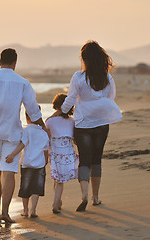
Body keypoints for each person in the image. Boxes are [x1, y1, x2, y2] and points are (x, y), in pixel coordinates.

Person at [0, 48, 46, 223]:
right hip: (13, 133)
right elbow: (32, 110)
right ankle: (5, 211)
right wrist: (43, 128)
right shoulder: (23, 83)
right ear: (15, 63)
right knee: (9, 173)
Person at [51, 41, 122, 212]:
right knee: (97, 159)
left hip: (83, 123)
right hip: (102, 122)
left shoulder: (78, 77)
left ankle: (84, 195)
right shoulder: (107, 78)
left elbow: (70, 99)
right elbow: (111, 97)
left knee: (84, 160)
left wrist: (61, 113)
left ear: (84, 59)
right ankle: (95, 197)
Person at [5, 107, 49, 218]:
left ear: (26, 117)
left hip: (26, 163)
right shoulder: (43, 133)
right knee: (36, 188)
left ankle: (25, 210)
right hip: (39, 164)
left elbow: (23, 144)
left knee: (25, 186)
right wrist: (45, 161)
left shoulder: (26, 130)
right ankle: (33, 210)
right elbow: (45, 149)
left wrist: (12, 155)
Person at [46, 93, 78, 213]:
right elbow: (74, 139)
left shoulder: (50, 121)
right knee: (59, 180)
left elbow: (47, 137)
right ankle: (56, 203)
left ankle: (57, 202)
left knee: (57, 178)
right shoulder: (71, 121)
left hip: (54, 153)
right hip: (67, 152)